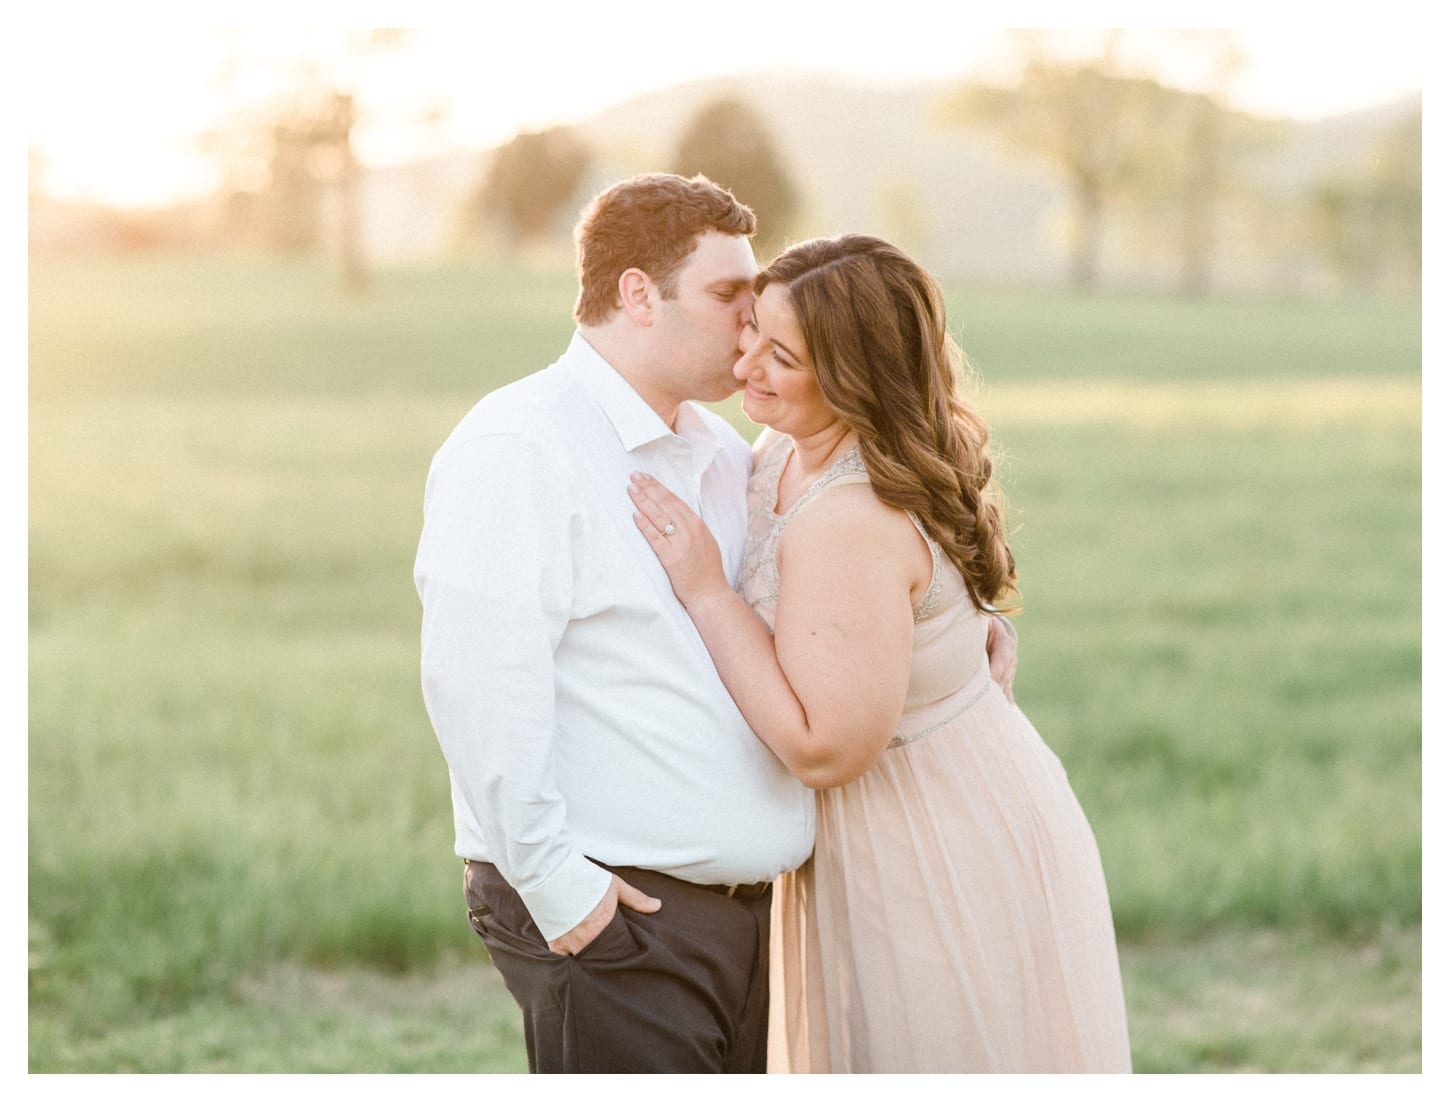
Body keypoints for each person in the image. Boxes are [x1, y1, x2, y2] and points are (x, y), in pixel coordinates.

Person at [414, 175, 1022, 1073]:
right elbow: (478, 686)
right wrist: (561, 893)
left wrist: (949, 646)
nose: (754, 325)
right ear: (636, 295)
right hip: (620, 918)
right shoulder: (520, 446)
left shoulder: (725, 453)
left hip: (749, 923)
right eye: (729, 295)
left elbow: (817, 621)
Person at [627, 234, 1132, 1072]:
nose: (745, 361)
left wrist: (708, 593)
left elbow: (827, 745)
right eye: (751, 327)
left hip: (930, 840)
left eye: (780, 355)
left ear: (854, 380)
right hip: (900, 821)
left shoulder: (847, 518)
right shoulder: (784, 448)